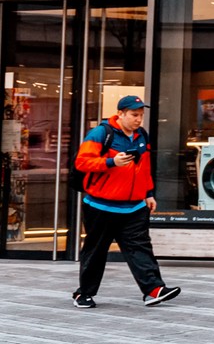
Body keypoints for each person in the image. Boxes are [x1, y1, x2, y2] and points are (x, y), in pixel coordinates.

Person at [71, 95, 178, 308]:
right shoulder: (102, 133)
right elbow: (82, 162)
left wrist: (148, 193)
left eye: (141, 115)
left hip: (134, 206)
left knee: (141, 248)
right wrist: (112, 161)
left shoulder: (141, 136)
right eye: (134, 115)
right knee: (96, 251)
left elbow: (144, 167)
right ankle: (84, 294)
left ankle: (154, 289)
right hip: (101, 206)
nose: (138, 120)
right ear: (120, 114)